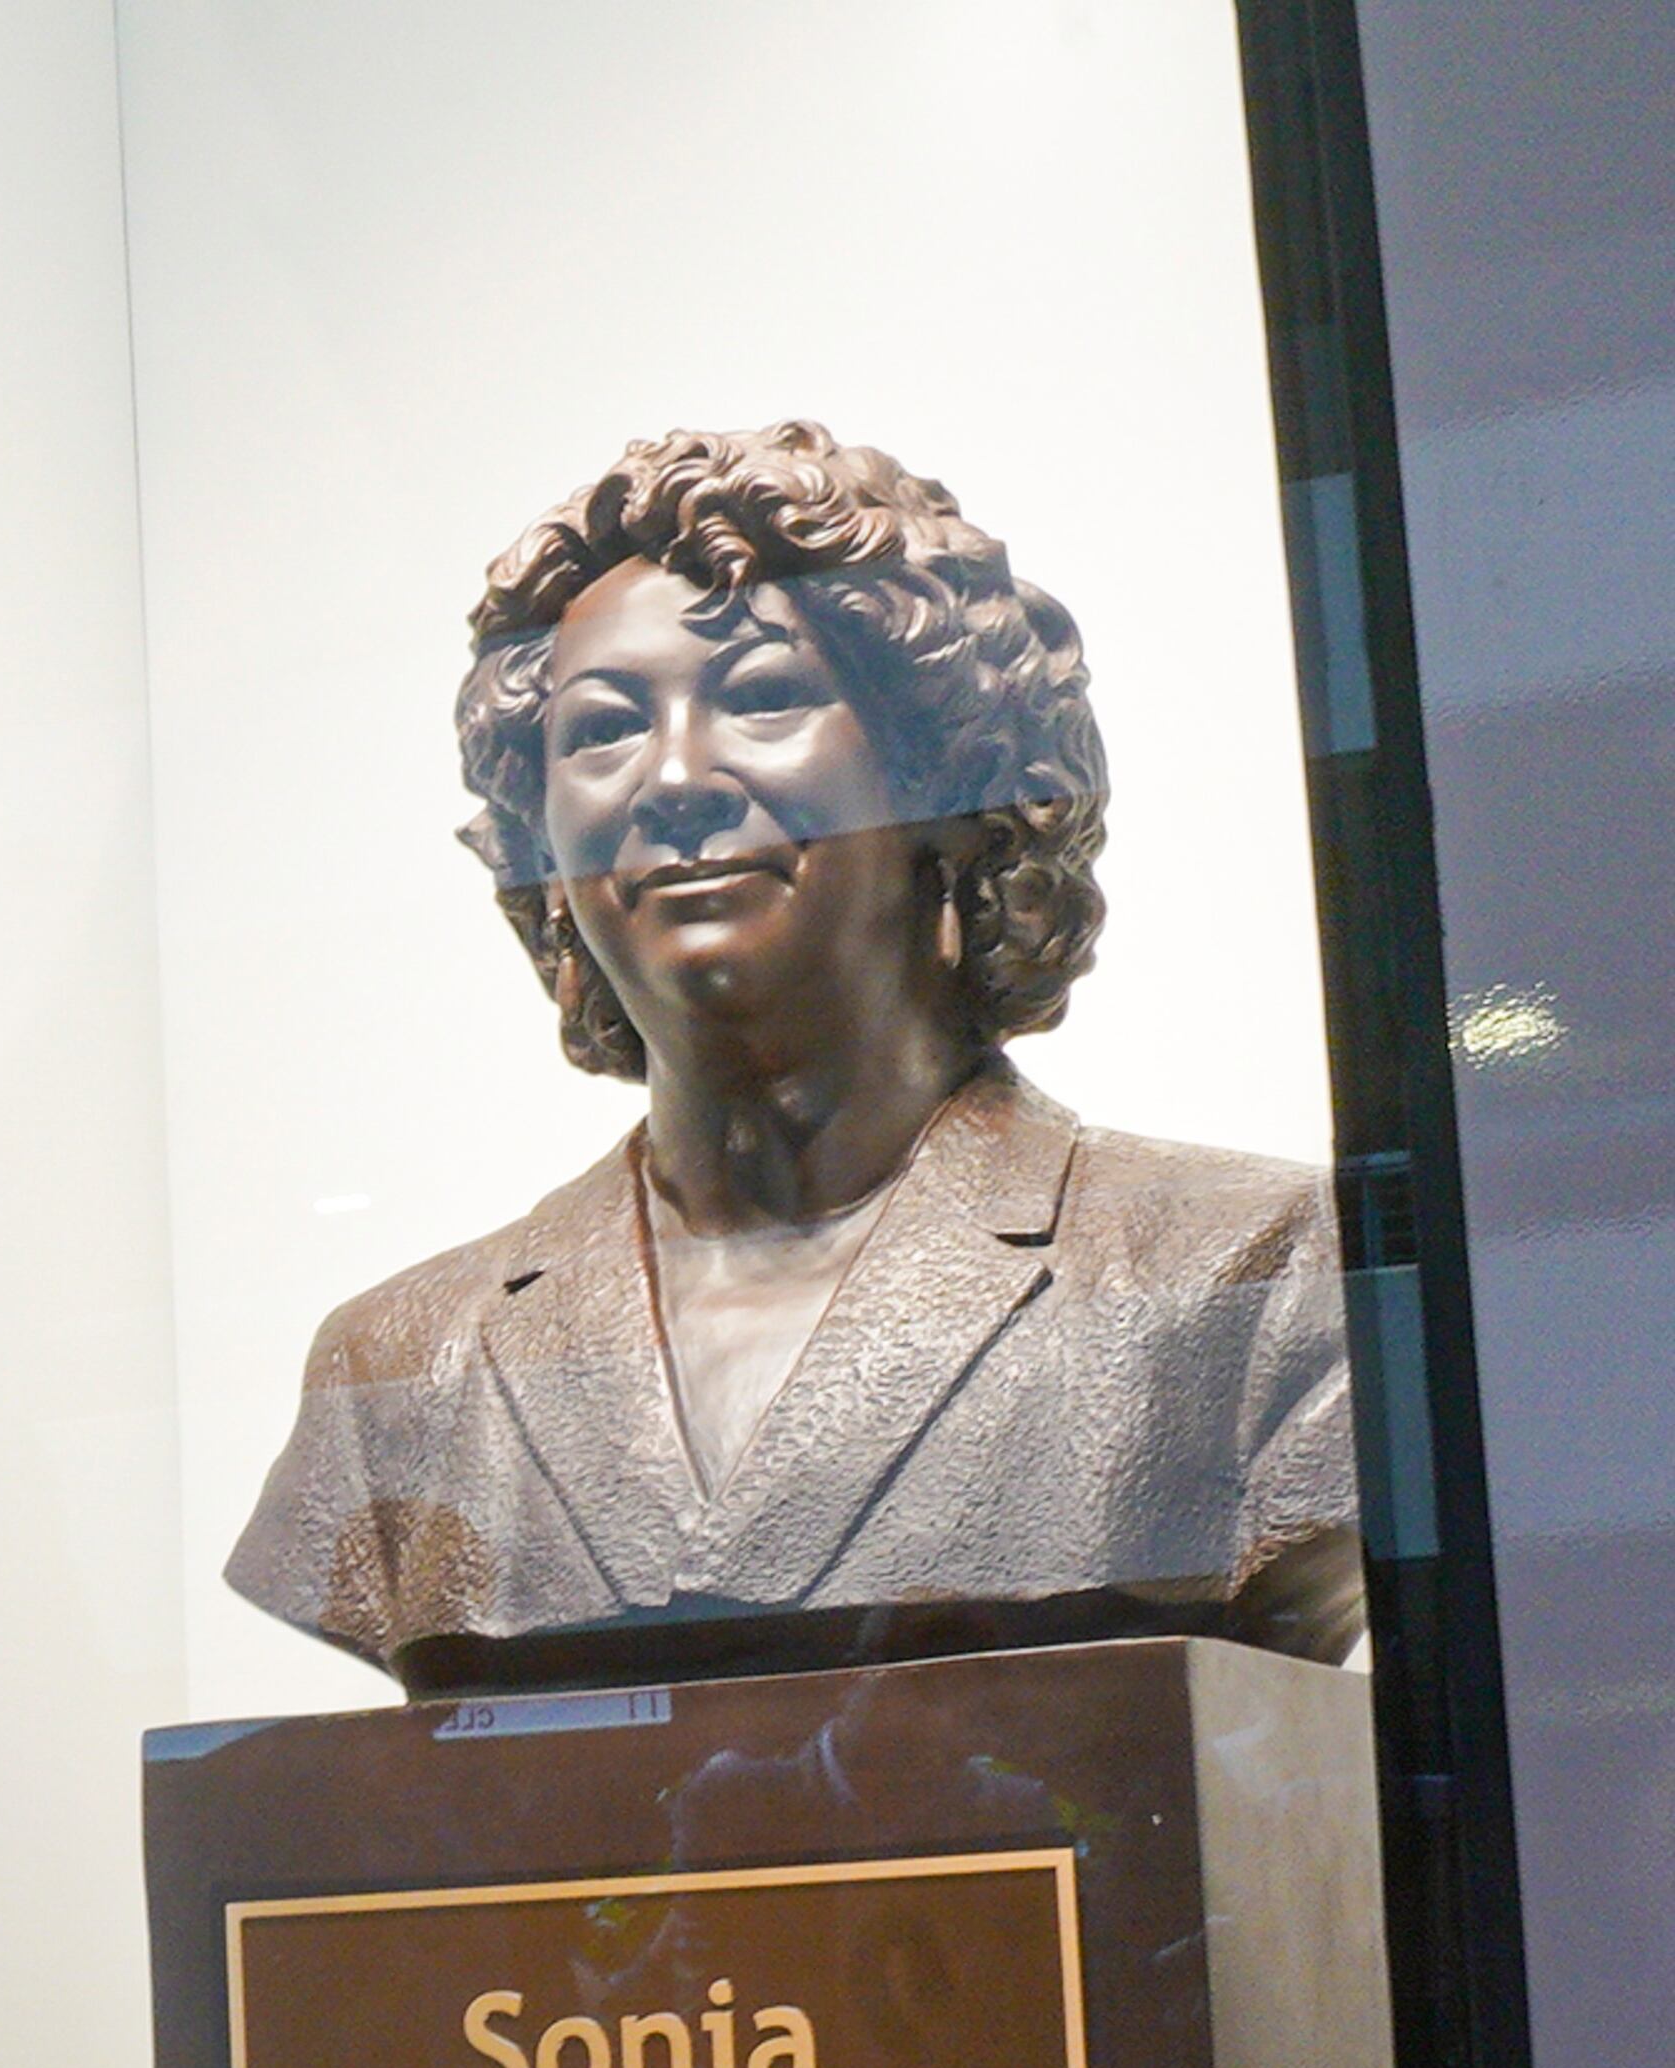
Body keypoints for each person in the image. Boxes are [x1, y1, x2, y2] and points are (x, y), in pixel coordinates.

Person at [229, 421, 1360, 1691]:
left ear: (949, 791)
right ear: (543, 862)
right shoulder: (398, 1367)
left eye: (761, 697)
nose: (673, 778)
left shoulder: (1259, 1277)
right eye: (600, 729)